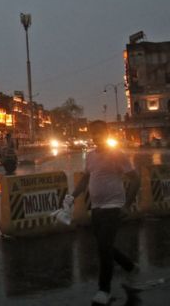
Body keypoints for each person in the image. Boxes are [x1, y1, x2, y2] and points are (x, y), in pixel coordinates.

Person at [66, 120, 139, 304]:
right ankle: (129, 266)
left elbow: (135, 179)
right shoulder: (90, 156)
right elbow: (85, 178)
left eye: (100, 132)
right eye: (94, 133)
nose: (96, 136)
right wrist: (72, 196)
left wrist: (127, 205)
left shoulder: (117, 155)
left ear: (107, 133)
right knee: (103, 245)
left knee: (104, 248)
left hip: (114, 207)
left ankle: (103, 290)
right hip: (97, 208)